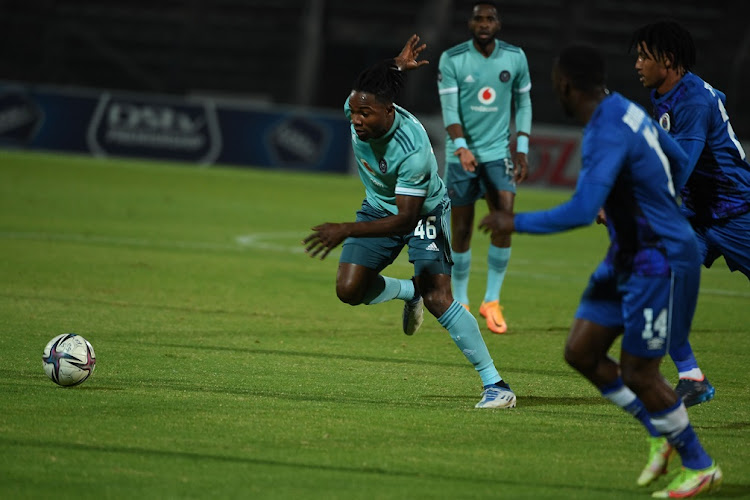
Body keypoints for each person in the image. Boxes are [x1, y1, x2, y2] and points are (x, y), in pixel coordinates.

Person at [479, 45, 722, 497]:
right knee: (581, 351)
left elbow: (581, 210)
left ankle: (699, 463)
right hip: (627, 255)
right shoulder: (624, 109)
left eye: (556, 85)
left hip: (660, 258)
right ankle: (659, 431)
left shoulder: (604, 131)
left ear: (566, 86)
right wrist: (644, 196)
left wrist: (514, 221)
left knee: (640, 373)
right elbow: (674, 157)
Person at [303, 35, 516, 409]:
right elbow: (374, 85)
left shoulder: (413, 151)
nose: (356, 120)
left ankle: (496, 385)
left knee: (438, 297)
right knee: (349, 290)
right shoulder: (360, 106)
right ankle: (408, 291)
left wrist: (345, 229)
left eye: (365, 114)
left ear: (389, 111)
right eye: (354, 112)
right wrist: (395, 65)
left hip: (423, 212)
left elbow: (405, 220)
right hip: (378, 206)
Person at [631, 21, 750, 409]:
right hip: (698, 217)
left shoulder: (694, 100)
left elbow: (680, 166)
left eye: (644, 56)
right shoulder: (664, 95)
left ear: (667, 60)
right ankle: (691, 377)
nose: (637, 63)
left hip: (736, 213)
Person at [436, 1, 532, 334]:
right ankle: (460, 299)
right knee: (461, 230)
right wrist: (461, 148)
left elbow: (524, 102)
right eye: (478, 18)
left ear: (498, 24)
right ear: (470, 23)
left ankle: (491, 299)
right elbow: (449, 110)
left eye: (490, 18)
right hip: (460, 154)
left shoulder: (515, 57)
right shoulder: (453, 59)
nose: (484, 23)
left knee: (505, 220)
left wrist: (521, 148)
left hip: (497, 154)